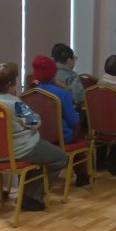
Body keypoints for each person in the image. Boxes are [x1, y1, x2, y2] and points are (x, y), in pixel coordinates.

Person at [0, 62, 68, 211]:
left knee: (38, 157)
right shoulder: (14, 103)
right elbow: (35, 123)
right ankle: (31, 197)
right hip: (18, 149)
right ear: (10, 84)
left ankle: (23, 192)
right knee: (60, 158)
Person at [32, 55, 86, 187]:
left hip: (37, 136)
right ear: (53, 72)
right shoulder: (63, 94)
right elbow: (73, 121)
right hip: (59, 136)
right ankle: (82, 175)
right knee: (79, 132)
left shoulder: (29, 94)